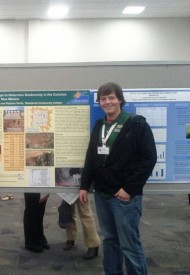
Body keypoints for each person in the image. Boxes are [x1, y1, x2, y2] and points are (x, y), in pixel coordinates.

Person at [79, 82, 157, 275]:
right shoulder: (100, 125)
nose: (107, 102)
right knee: (110, 241)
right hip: (102, 194)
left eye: (111, 98)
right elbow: (91, 157)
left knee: (129, 246)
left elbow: (148, 159)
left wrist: (129, 189)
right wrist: (84, 185)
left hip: (125, 197)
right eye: (103, 99)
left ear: (120, 100)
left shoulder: (136, 124)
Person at [62, 168, 101, 260]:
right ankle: (70, 238)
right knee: (69, 210)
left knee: (85, 212)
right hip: (67, 178)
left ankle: (93, 244)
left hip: (81, 179)